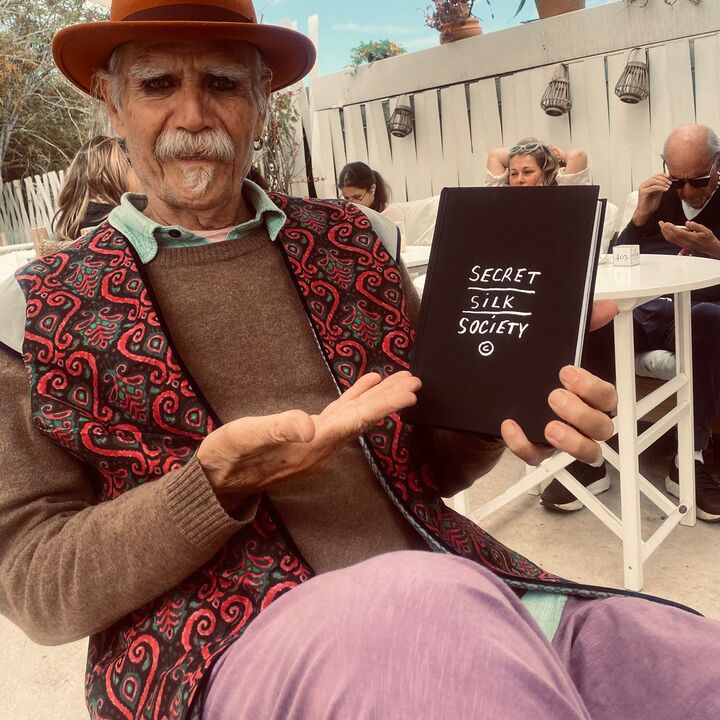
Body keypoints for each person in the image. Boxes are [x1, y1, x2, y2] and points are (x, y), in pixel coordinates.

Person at [0, 4, 717, 720]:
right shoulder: (36, 308)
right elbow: (35, 585)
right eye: (158, 84)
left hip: (456, 583)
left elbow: (429, 466)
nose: (193, 114)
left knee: (685, 664)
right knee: (427, 607)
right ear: (112, 102)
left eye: (222, 83)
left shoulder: (351, 240)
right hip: (216, 648)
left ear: (263, 102)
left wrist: (509, 401)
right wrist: (212, 485)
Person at [544, 124, 720, 521]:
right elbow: (615, 260)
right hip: (647, 306)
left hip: (701, 307)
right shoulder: (659, 198)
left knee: (707, 320)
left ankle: (688, 459)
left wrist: (714, 249)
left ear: (717, 165)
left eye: (698, 181)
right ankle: (592, 458)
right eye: (677, 180)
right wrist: (640, 217)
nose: (687, 191)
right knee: (593, 321)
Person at [52, 134, 141, 243]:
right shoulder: (123, 224)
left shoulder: (70, 225)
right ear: (115, 173)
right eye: (132, 165)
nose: (139, 174)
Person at [485, 138, 590, 187]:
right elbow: (495, 155)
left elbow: (577, 156)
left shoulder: (564, 196)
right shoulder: (500, 199)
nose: (519, 179)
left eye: (527, 172)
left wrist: (548, 153)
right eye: (514, 173)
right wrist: (524, 149)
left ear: (544, 173)